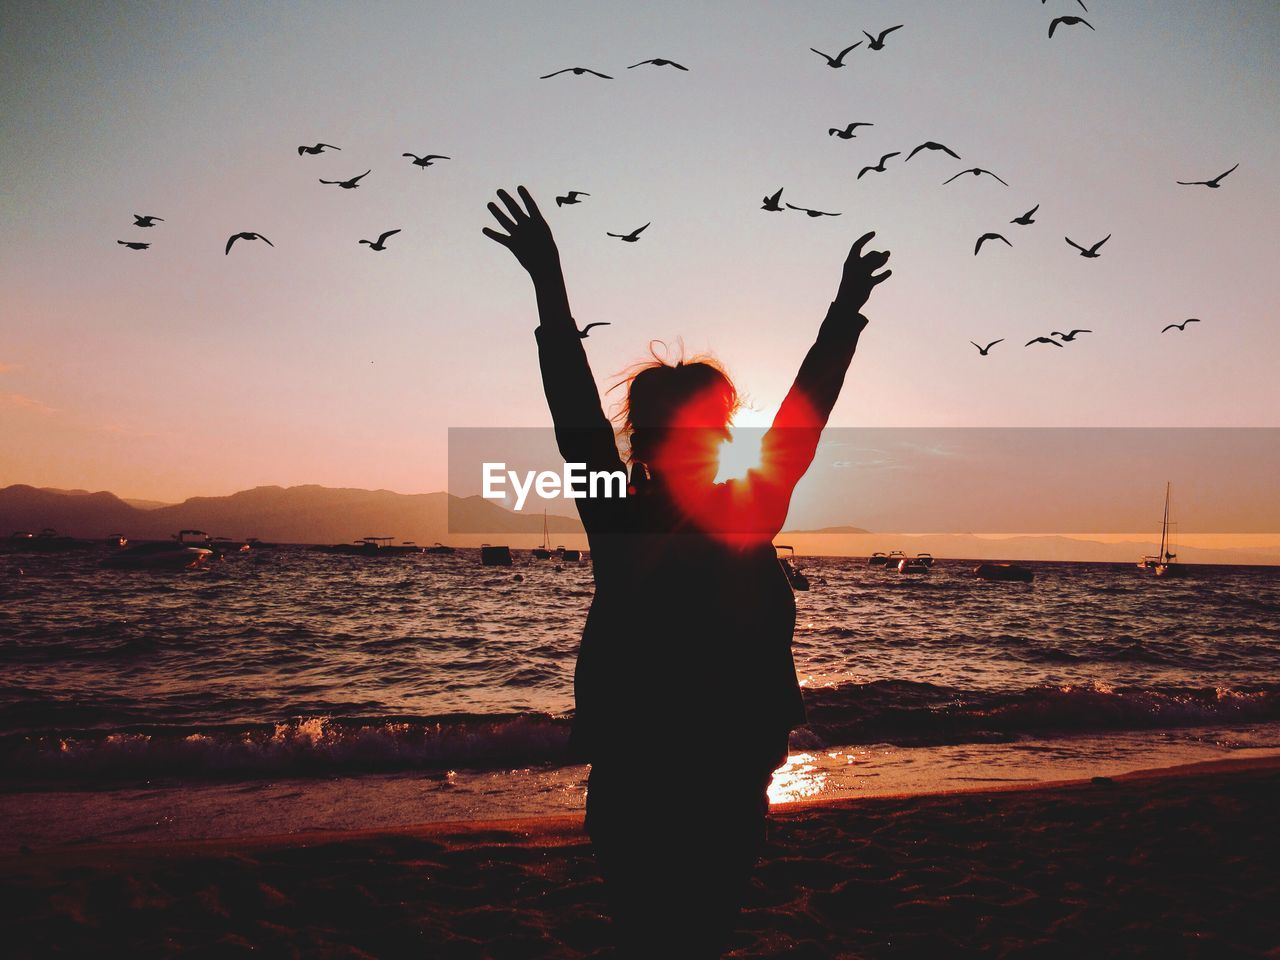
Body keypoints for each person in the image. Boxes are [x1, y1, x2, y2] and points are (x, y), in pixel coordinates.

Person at [483, 186, 890, 957]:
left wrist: (548, 284)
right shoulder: (722, 508)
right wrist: (842, 316)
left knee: (661, 935)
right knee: (690, 934)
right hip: (704, 773)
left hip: (670, 775)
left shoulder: (628, 513)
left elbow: (578, 420)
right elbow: (803, 417)